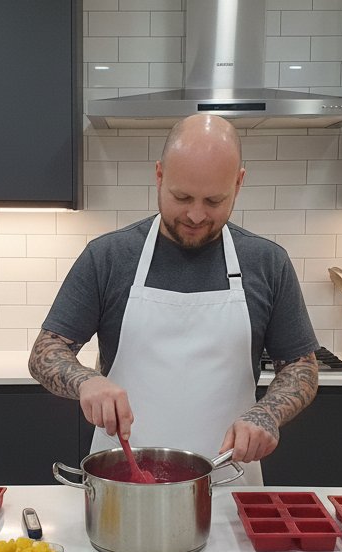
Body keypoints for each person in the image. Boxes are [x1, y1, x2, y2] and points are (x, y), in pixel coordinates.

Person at [29, 114, 318, 484]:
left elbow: (302, 367)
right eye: (182, 197)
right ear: (159, 175)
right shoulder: (109, 257)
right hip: (124, 484)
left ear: (239, 183)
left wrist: (267, 414)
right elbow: (45, 352)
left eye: (214, 200)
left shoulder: (267, 262)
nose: (196, 215)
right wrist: (86, 381)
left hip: (228, 481)